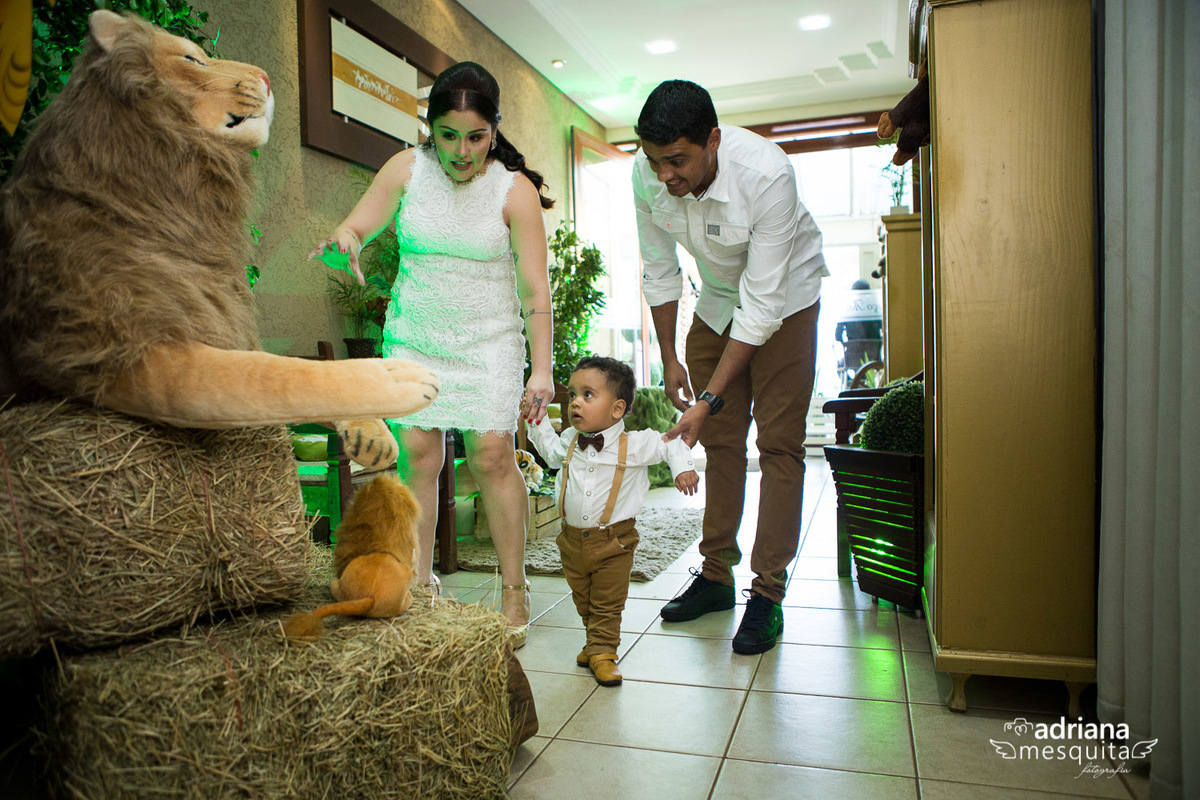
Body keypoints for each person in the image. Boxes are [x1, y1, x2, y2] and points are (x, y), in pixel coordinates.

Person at [310, 61, 555, 648]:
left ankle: (514, 589)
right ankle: (417, 587)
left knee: (493, 454)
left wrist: (542, 369)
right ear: (431, 130)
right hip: (419, 334)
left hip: (490, 340)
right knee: (417, 454)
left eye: (475, 137)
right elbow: (358, 225)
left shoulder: (513, 191)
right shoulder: (406, 169)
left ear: (494, 131)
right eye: (449, 136)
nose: (462, 151)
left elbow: (534, 292)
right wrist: (345, 240)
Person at [631, 80, 827, 655]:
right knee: (720, 442)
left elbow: (763, 305)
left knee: (780, 446)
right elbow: (659, 268)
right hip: (717, 301)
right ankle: (716, 578)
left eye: (677, 160)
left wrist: (708, 397)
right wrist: (669, 356)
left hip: (786, 300)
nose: (664, 174)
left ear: (713, 140)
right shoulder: (647, 175)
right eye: (654, 160)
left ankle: (767, 593)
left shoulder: (766, 175)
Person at [524, 356, 698, 685]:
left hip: (614, 541)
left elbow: (671, 444)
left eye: (587, 395)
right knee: (583, 597)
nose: (575, 401)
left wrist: (683, 468)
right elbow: (548, 450)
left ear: (617, 409)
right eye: (574, 393)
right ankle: (594, 642)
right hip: (571, 541)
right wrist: (536, 420)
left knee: (607, 601)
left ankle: (604, 650)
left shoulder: (635, 443)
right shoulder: (569, 441)